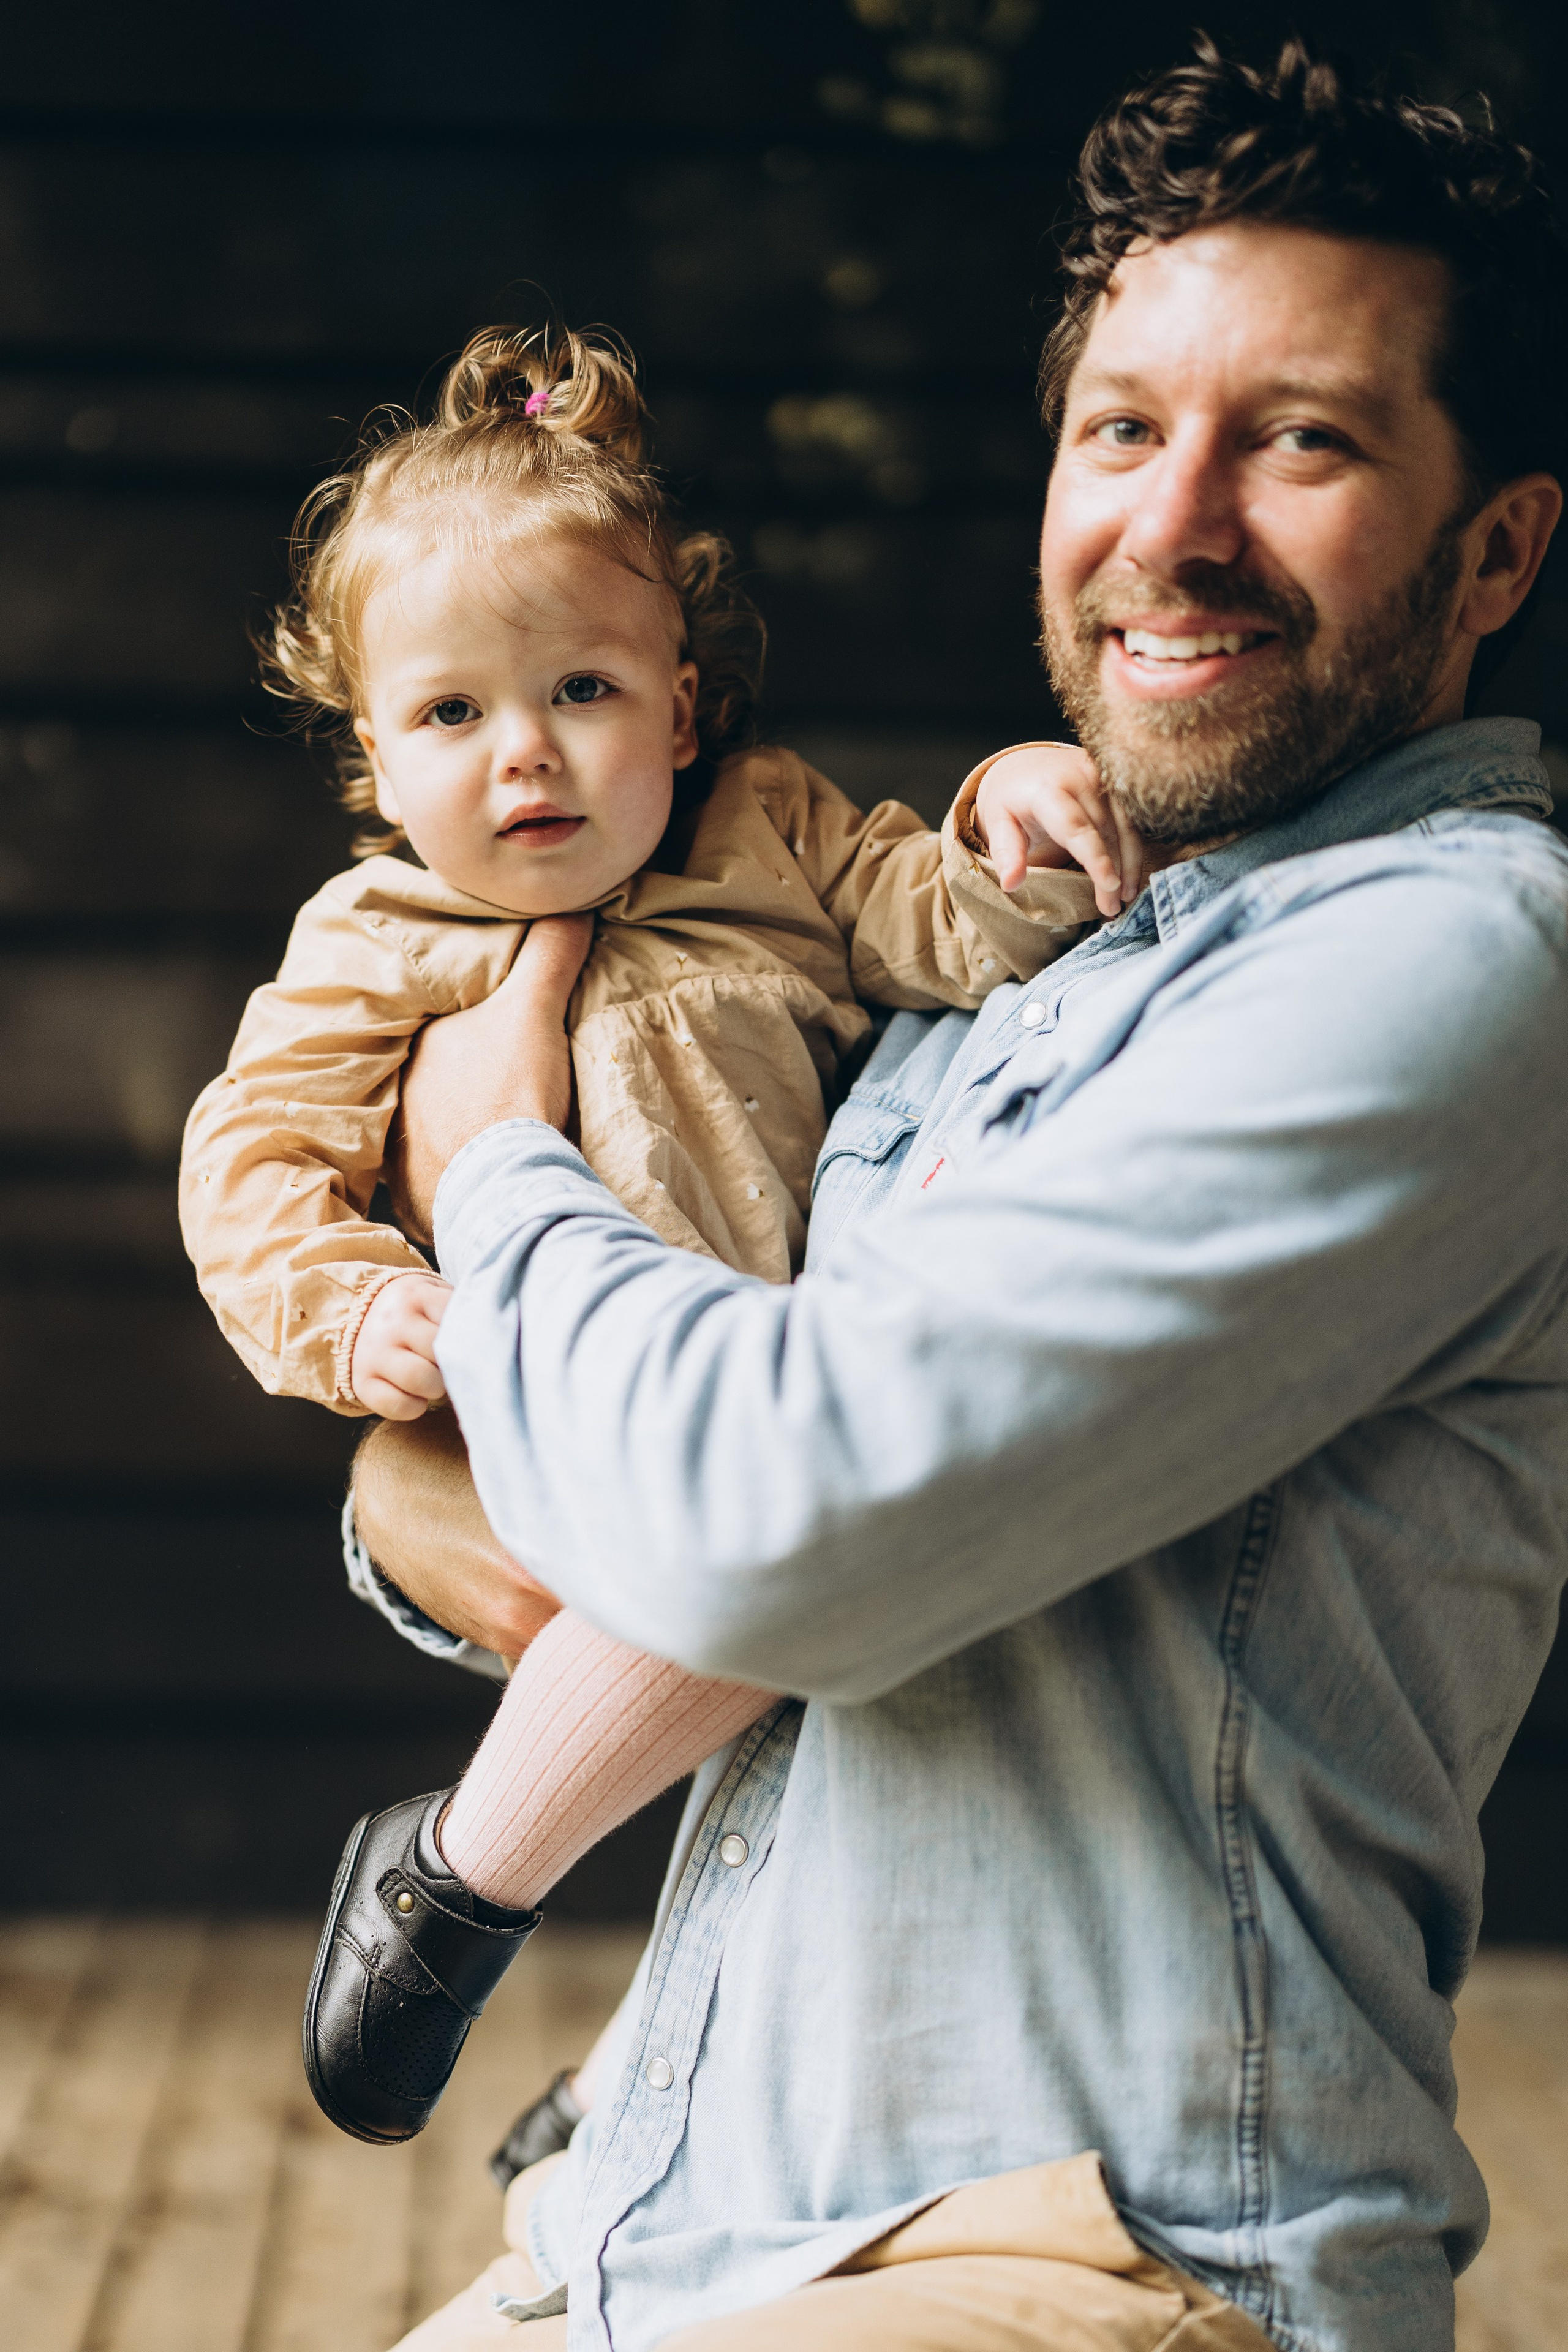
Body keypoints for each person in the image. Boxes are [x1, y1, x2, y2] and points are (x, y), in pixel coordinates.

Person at [364, 35, 1568, 2352]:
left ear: (1499, 547)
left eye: (1302, 441)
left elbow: (761, 1517)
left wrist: (492, 1169)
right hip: (662, 2226)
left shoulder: (1455, 961)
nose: (1174, 526)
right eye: (1122, 428)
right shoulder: (1009, 947)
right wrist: (465, 1448)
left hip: (1098, 2258)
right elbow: (550, 1528)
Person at [178, 322, 1139, 2142]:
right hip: (535, 1436)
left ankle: (620, 2075)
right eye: (452, 715)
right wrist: (349, 1304)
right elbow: (250, 1157)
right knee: (771, 1641)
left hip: (780, 1404)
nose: (525, 755)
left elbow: (948, 925)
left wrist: (1011, 815)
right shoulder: (376, 940)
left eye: (584, 691)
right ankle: (473, 1893)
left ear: (681, 711)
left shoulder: (773, 833)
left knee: (819, 1733)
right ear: (374, 753)